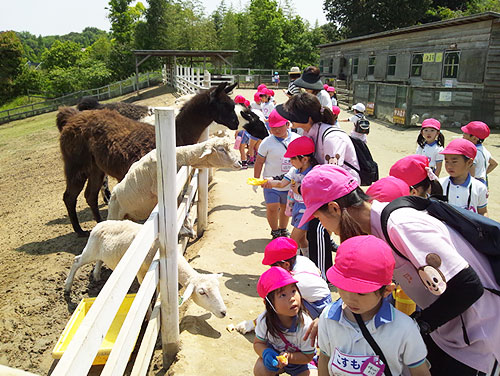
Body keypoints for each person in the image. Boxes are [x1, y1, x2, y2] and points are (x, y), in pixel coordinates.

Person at [298, 164, 500, 376]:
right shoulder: (374, 230)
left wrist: (418, 326)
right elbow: (363, 286)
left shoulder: (401, 225)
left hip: (478, 337)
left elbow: (468, 286)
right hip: (448, 331)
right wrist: (336, 314)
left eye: (319, 218)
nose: (324, 227)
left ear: (334, 208)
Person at [318, 235, 430, 376]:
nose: (350, 298)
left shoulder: (404, 328)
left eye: (361, 293)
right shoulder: (328, 318)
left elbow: (419, 371)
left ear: (387, 291)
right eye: (343, 288)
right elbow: (324, 358)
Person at [276, 92, 360, 280]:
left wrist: (306, 191)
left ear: (306, 118)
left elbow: (333, 175)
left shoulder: (330, 137)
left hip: (340, 193)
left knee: (320, 230)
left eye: (293, 118)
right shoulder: (312, 133)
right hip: (324, 192)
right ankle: (318, 271)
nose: (291, 122)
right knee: (316, 231)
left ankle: (323, 275)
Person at [254, 267, 318, 376]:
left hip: (300, 362)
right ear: (268, 303)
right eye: (283, 295)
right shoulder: (264, 320)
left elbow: (308, 356)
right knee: (260, 369)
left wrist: (289, 357)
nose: (292, 298)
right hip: (275, 358)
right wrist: (266, 353)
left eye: (293, 291)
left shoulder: (305, 324)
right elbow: (258, 343)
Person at [262, 137, 318, 250]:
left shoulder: (314, 173)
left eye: (293, 158)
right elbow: (281, 184)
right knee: (302, 240)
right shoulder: (294, 171)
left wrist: (300, 189)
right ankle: (306, 258)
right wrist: (268, 182)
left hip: (306, 211)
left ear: (305, 159)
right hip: (297, 207)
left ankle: (292, 264)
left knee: (293, 240)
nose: (290, 161)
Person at [254, 109, 300, 239]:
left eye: (280, 127)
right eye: (273, 128)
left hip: (290, 183)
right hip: (271, 182)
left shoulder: (297, 140)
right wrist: (256, 180)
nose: (277, 130)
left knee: (285, 208)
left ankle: (283, 229)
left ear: (287, 124)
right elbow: (259, 161)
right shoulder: (266, 142)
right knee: (272, 207)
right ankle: (275, 231)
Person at [439, 138, 488, 215]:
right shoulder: (439, 184)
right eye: (446, 161)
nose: (449, 166)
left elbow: (483, 212)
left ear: (469, 162)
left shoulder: (479, 188)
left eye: (454, 162)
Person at [462, 120, 498, 187]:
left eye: (466, 133)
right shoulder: (484, 150)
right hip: (483, 182)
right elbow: (494, 163)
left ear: (474, 138)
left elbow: (471, 175)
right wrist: (483, 174)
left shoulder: (473, 153)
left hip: (475, 184)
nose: (463, 135)